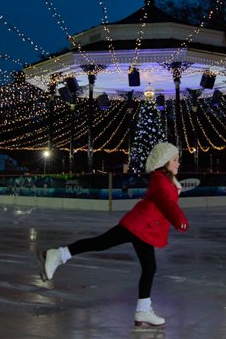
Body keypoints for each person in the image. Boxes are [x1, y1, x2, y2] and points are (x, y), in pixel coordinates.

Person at [38, 141, 189, 329]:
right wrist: (180, 220)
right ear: (165, 161)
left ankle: (143, 310)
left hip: (146, 229)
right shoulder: (160, 180)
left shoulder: (167, 180)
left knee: (148, 267)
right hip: (139, 226)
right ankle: (58, 254)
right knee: (101, 243)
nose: (178, 163)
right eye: (175, 159)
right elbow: (168, 203)